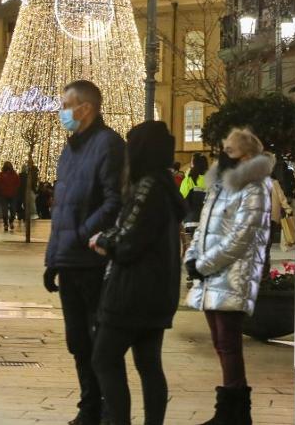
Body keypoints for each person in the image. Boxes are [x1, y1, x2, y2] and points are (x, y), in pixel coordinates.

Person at [89, 121, 185, 425]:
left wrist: (102, 240)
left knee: (104, 358)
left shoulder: (148, 187)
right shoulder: (165, 185)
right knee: (148, 363)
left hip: (133, 293)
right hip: (158, 292)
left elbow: (130, 239)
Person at [43, 80, 125, 425]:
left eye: (66, 105)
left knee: (98, 340)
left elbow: (113, 200)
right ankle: (88, 405)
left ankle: (108, 408)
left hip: (92, 259)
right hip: (69, 261)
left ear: (85, 108)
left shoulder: (108, 144)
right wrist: (52, 259)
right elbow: (60, 208)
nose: (62, 112)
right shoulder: (69, 149)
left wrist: (80, 235)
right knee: (77, 340)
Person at [185, 127, 273, 424]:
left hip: (233, 276)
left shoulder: (255, 189)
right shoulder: (220, 186)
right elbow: (202, 227)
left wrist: (204, 264)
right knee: (221, 344)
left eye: (230, 152)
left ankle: (234, 413)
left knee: (229, 343)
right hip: (212, 275)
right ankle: (230, 411)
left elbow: (241, 237)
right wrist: (191, 257)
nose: (223, 156)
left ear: (247, 156)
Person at [0, 161, 21, 232]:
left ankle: (11, 221)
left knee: (13, 210)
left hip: (13, 195)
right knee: (4, 211)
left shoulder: (14, 174)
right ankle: (6, 224)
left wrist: (15, 189)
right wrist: (2, 188)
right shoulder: (1, 174)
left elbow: (18, 182)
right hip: (4, 195)